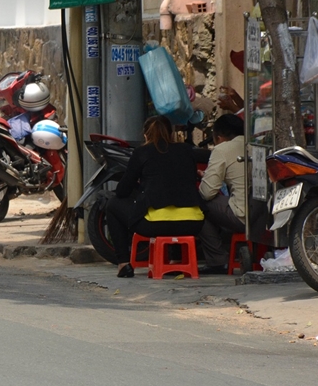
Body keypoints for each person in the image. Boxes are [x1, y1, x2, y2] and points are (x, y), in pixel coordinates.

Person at [105, 115, 205, 278]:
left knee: (112, 205)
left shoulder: (141, 152)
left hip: (154, 225)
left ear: (145, 135)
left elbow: (123, 191)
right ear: (171, 134)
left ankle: (123, 263)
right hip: (193, 223)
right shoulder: (186, 150)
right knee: (175, 200)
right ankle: (176, 260)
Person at [198, 114, 247, 272]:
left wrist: (205, 177)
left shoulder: (222, 149)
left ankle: (217, 260)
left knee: (199, 205)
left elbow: (207, 192)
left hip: (242, 214)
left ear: (219, 137)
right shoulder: (254, 144)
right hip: (264, 213)